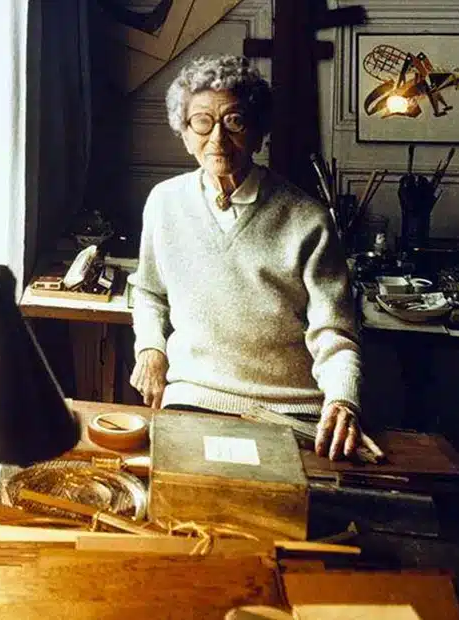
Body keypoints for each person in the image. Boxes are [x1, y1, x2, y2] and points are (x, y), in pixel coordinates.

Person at [128, 55, 363, 460]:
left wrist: (343, 400)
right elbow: (149, 293)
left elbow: (335, 333)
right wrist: (150, 348)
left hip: (290, 411)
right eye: (202, 121)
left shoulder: (308, 219)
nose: (217, 139)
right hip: (192, 399)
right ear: (184, 133)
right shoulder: (164, 203)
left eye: (234, 121)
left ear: (258, 133)